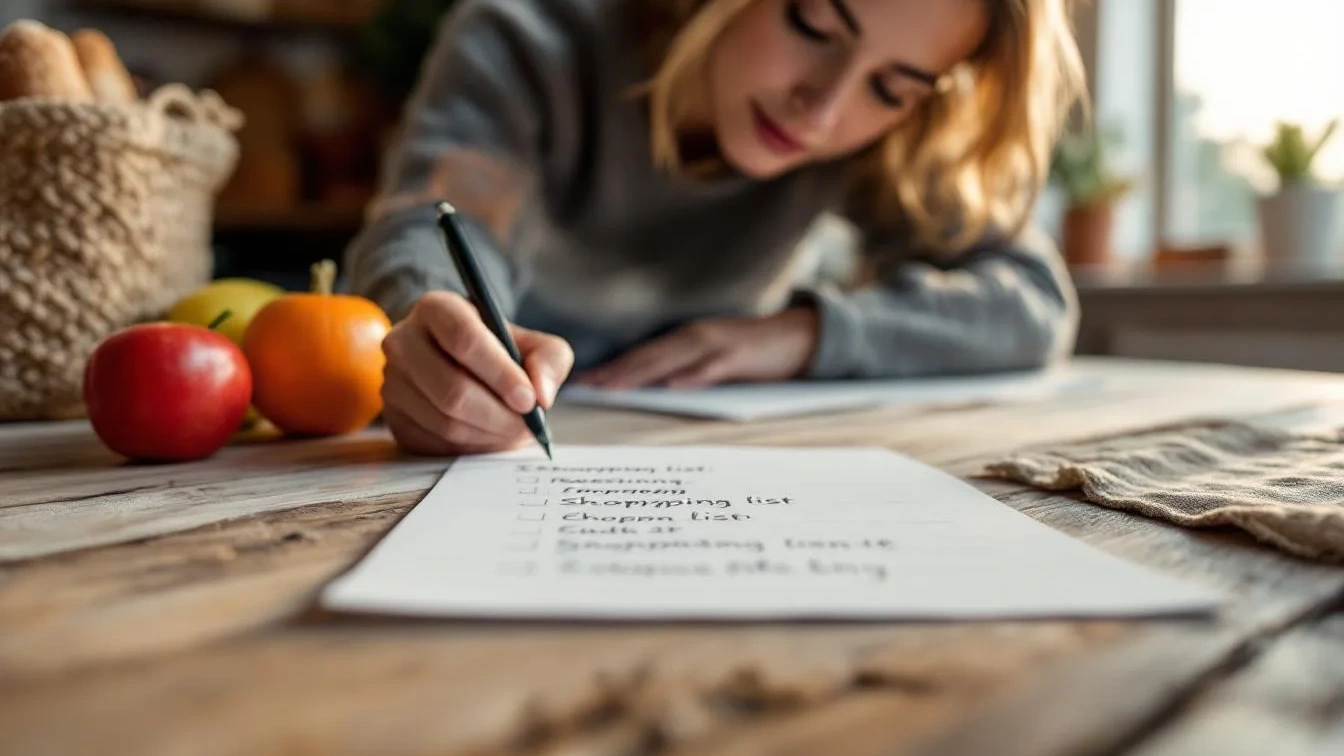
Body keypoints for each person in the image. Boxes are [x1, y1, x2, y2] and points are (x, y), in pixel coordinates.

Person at [344, 0, 1088, 455]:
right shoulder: (529, 40)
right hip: (497, 427)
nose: (821, 110)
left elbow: (1031, 300)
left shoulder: (884, 139)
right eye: (811, 21)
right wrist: (436, 313)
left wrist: (800, 336)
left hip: (707, 440)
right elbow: (441, 219)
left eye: (892, 87)